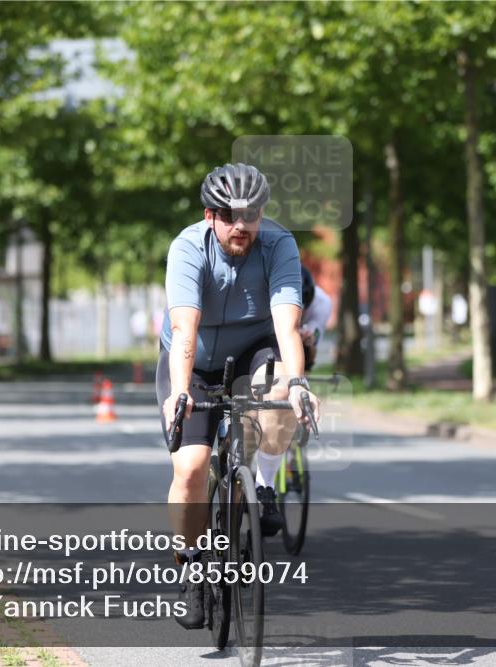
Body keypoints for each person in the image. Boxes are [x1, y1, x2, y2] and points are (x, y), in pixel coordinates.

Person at [156, 162, 321, 629]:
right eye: (229, 215)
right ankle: (190, 565)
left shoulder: (279, 243)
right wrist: (182, 392)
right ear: (210, 215)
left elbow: (287, 324)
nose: (241, 225)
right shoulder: (188, 248)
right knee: (188, 468)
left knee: (280, 389)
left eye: (250, 214)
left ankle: (264, 484)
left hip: (254, 346)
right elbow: (185, 330)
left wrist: (298, 383)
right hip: (194, 358)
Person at [300, 267, 332, 371]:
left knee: (307, 347)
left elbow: (313, 338)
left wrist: (309, 338)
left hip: (304, 335)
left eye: (302, 309)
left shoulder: (323, 303)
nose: (299, 313)